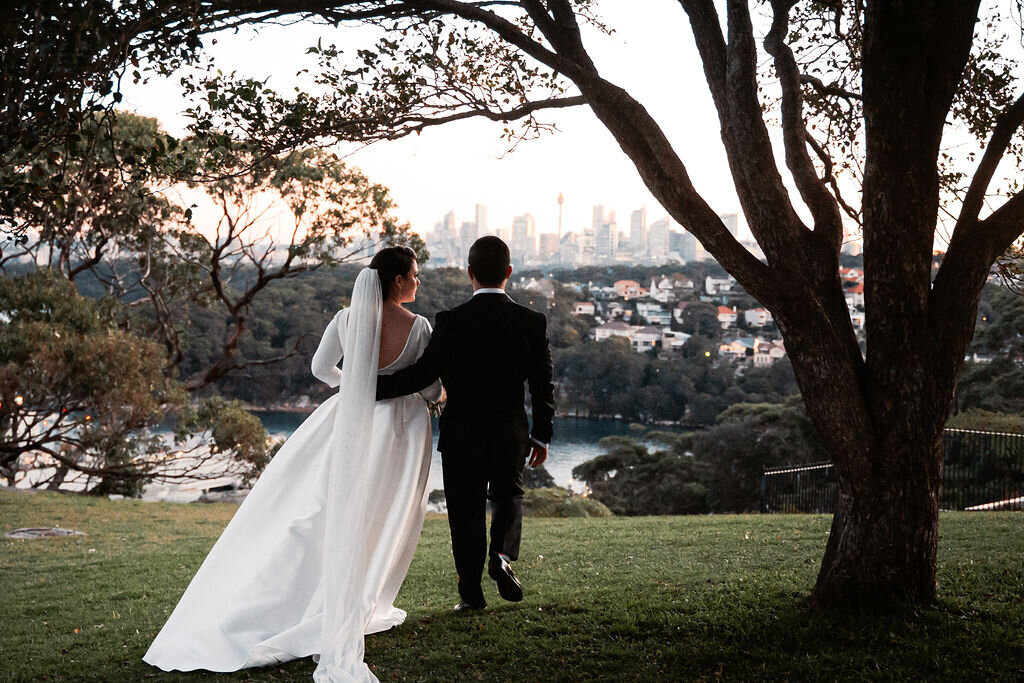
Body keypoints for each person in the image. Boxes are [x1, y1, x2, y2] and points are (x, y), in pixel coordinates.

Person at [143, 246, 441, 683]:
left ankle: (316, 596)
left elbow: (323, 368)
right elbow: (432, 386)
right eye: (414, 275)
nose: (418, 282)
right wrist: (434, 399)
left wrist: (355, 387)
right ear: (398, 280)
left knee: (327, 509)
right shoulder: (420, 328)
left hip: (348, 420)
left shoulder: (345, 320)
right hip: (402, 430)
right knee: (384, 516)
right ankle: (360, 600)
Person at [376, 236, 555, 611]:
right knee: (509, 496)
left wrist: (370, 386)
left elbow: (421, 374)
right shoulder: (531, 322)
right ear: (508, 272)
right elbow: (542, 386)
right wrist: (541, 435)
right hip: (510, 431)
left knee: (465, 512)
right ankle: (502, 557)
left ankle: (470, 592)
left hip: (461, 434)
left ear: (469, 273)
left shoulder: (451, 321)